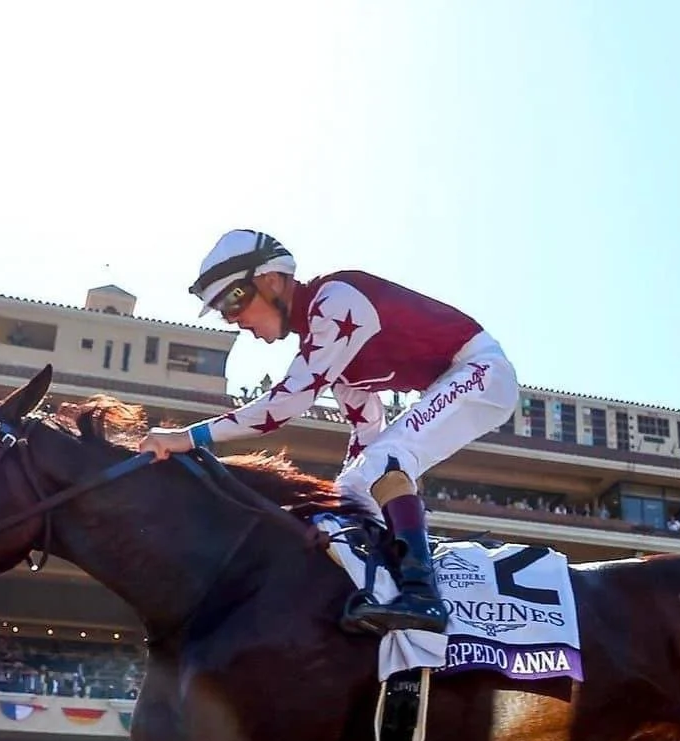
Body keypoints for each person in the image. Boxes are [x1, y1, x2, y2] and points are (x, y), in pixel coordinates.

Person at [138, 229, 520, 635]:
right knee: (355, 485)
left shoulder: (336, 302)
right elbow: (367, 432)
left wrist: (189, 437)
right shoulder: (335, 348)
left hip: (482, 370)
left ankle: (422, 596)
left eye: (234, 300)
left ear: (271, 280)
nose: (233, 319)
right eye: (222, 310)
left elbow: (283, 405)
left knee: (383, 464)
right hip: (465, 378)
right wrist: (338, 500)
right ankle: (387, 586)